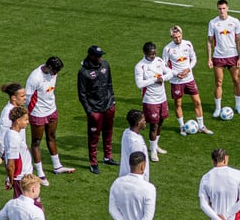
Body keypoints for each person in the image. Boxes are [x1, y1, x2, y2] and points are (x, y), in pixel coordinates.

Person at [26, 56, 75, 178]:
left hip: (51, 110)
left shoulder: (54, 73)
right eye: (54, 71)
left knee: (52, 136)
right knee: (36, 142)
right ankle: (40, 173)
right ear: (48, 67)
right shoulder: (35, 77)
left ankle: (57, 166)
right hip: (38, 113)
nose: (55, 74)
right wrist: (29, 113)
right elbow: (27, 97)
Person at [162, 25, 213, 136]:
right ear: (171, 37)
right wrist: (176, 74)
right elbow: (164, 66)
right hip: (176, 81)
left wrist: (188, 69)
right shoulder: (167, 49)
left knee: (197, 102)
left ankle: (201, 126)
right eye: (175, 37)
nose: (178, 39)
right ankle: (182, 127)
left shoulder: (188, 44)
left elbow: (194, 58)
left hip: (189, 79)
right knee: (178, 104)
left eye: (179, 36)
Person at [77, 45, 118, 175]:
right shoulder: (83, 72)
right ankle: (93, 162)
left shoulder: (105, 65)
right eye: (98, 56)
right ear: (91, 56)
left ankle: (107, 157)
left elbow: (110, 84)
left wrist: (112, 102)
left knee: (108, 132)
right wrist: (89, 111)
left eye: (101, 56)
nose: (100, 58)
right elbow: (82, 94)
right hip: (95, 110)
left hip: (108, 106)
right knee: (94, 137)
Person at [135, 41, 175, 162]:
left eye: (154, 53)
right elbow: (139, 84)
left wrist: (162, 78)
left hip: (162, 98)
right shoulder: (140, 66)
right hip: (150, 99)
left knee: (161, 122)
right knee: (153, 125)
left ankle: (155, 145)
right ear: (145, 53)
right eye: (151, 54)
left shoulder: (159, 61)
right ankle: (152, 151)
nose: (153, 56)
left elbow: (170, 72)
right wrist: (154, 80)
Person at [206, 0, 240, 116]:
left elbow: (239, 40)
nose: (222, 11)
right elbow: (209, 42)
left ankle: (238, 105)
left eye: (224, 8)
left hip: (232, 56)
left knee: (236, 80)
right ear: (217, 9)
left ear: (227, 8)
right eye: (220, 9)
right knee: (218, 82)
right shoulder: (213, 23)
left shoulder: (235, 21)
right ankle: (218, 107)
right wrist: (209, 58)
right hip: (218, 57)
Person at [119, 109, 150, 181]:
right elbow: (137, 166)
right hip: (135, 180)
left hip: (125, 176)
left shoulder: (126, 132)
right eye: (143, 120)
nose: (145, 122)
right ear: (138, 123)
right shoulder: (136, 143)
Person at [0, 83, 25, 159]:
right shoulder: (7, 112)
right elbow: (2, 134)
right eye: (22, 96)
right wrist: (2, 152)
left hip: (20, 148)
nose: (25, 98)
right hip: (12, 150)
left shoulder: (18, 109)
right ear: (14, 98)